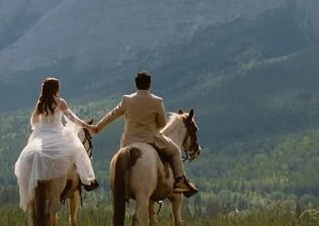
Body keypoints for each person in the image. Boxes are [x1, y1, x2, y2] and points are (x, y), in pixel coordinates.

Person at [90, 71, 196, 195]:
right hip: (151, 139)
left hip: (129, 140)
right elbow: (162, 124)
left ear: (136, 85)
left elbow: (112, 115)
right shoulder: (157, 101)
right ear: (149, 85)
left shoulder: (127, 99)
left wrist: (98, 127)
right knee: (175, 151)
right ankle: (179, 182)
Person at [14, 77, 97, 209]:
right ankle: (86, 180)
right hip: (57, 132)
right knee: (78, 150)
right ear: (55, 89)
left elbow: (33, 121)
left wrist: (43, 126)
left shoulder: (40, 104)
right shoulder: (60, 102)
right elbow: (73, 119)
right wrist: (88, 127)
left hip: (42, 133)